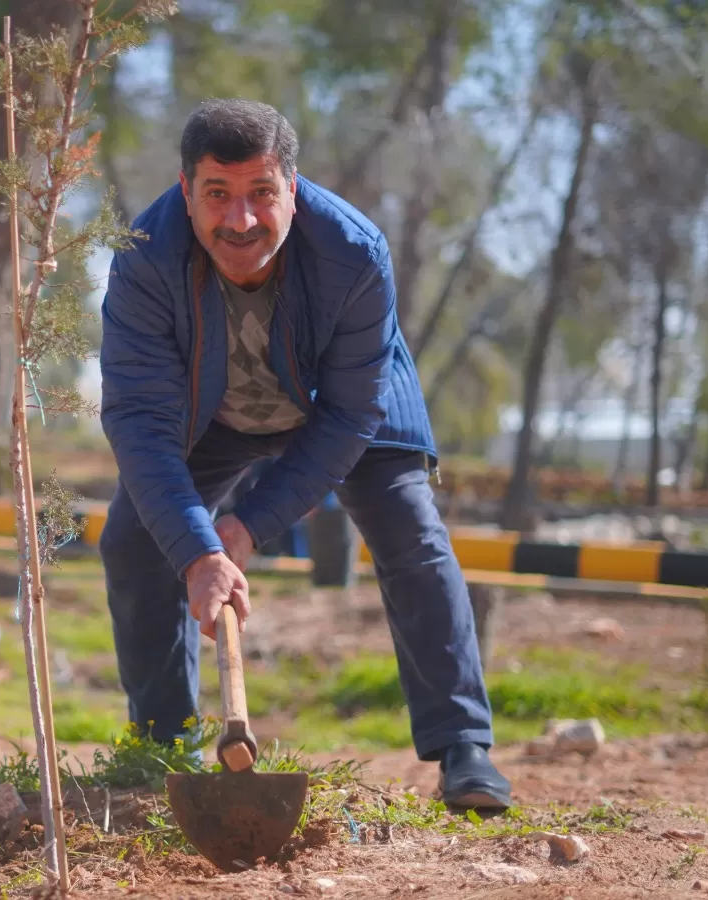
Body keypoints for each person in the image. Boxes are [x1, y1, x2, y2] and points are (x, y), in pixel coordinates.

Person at [97, 99, 512, 810]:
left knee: (411, 533)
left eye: (262, 193)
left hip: (339, 410)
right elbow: (140, 423)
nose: (241, 220)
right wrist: (200, 551)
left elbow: (352, 413)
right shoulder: (144, 258)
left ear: (293, 186)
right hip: (215, 414)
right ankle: (165, 750)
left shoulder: (354, 252)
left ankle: (463, 748)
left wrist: (247, 525)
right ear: (185, 189)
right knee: (136, 541)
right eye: (217, 195)